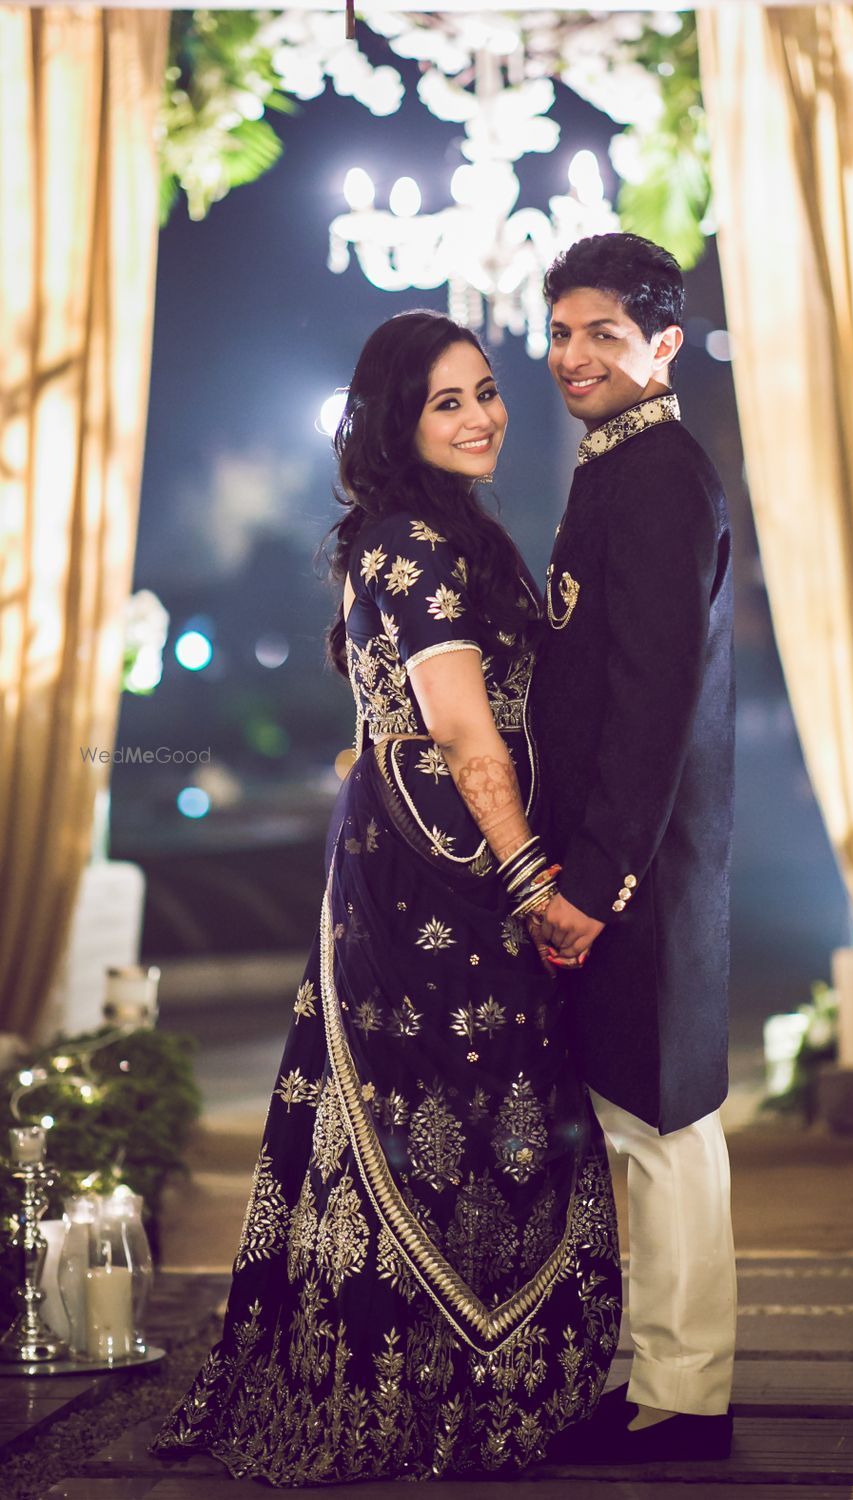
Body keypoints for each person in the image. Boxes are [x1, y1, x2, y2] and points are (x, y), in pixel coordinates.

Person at [149, 311, 621, 1485]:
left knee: (483, 1108)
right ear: (394, 424)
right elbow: (464, 736)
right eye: (446, 403)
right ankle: (422, 1397)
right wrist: (533, 885)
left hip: (425, 857)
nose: (481, 417)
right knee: (444, 1112)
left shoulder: (451, 530)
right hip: (437, 874)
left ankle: (467, 1387)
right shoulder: (406, 542)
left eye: (485, 391)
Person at [531, 233, 737, 1463]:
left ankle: (684, 1399)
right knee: (642, 1128)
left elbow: (652, 696)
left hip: (639, 868)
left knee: (660, 1133)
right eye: (559, 334)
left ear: (661, 346)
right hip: (628, 860)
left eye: (600, 335)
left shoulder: (656, 475)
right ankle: (671, 1378)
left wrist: (594, 882)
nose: (571, 358)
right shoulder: (617, 466)